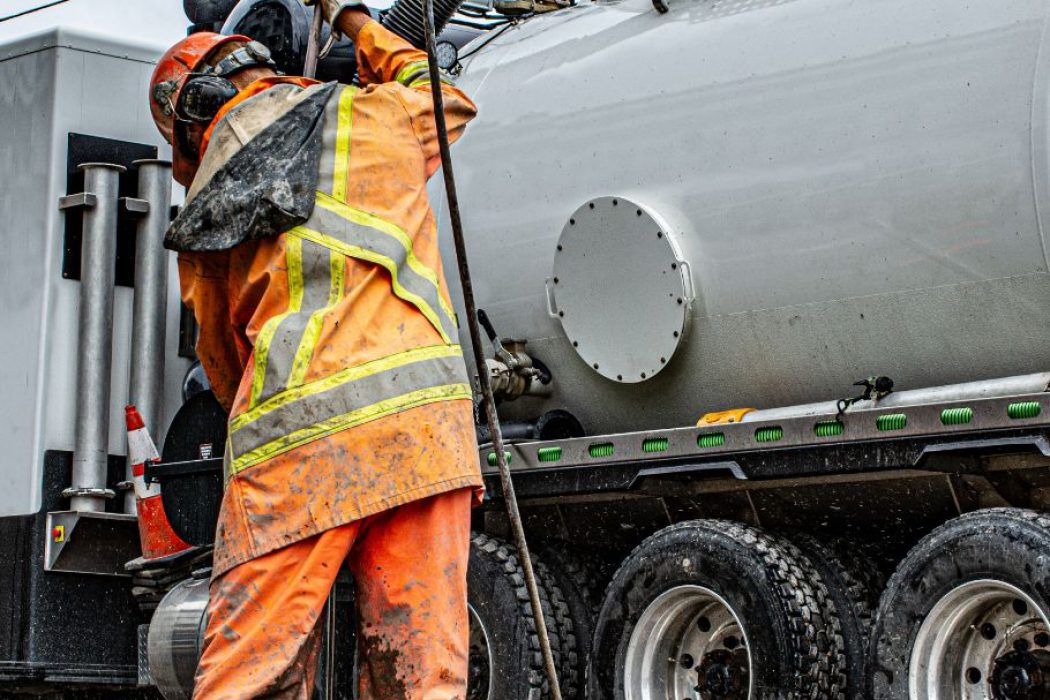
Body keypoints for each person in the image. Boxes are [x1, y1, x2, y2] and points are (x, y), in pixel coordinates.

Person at [148, 1, 483, 697]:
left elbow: (221, 364)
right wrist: (360, 24)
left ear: (192, 124)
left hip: (296, 451)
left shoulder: (211, 192)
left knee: (248, 677)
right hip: (424, 436)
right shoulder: (381, 116)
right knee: (421, 678)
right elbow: (450, 101)